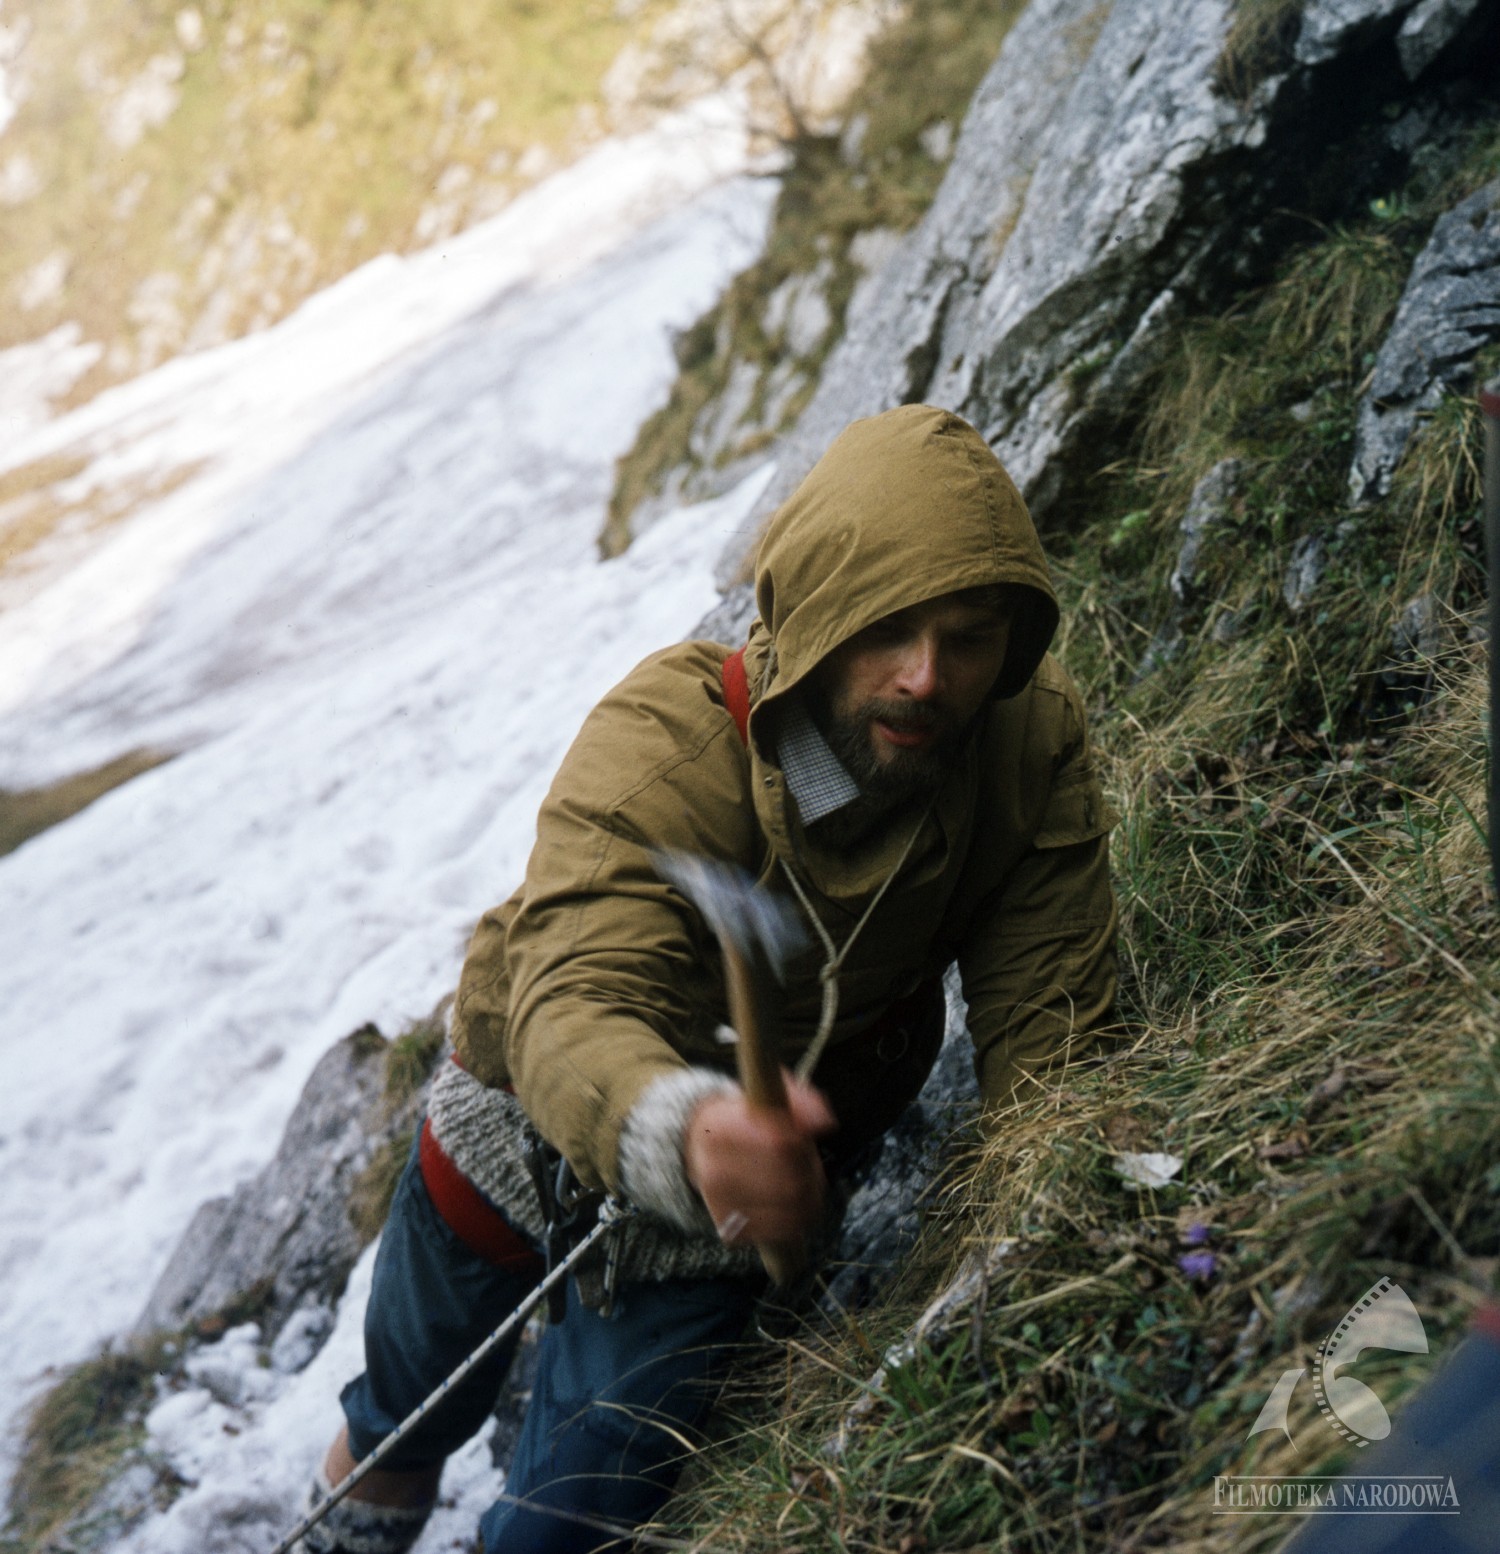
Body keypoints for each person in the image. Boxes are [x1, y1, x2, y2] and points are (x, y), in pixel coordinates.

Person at [299, 404, 1119, 1554]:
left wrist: (1063, 1201)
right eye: (888, 627)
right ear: (818, 609)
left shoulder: (1027, 746)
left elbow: (1052, 1012)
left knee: (560, 1532)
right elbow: (571, 990)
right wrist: (681, 1129)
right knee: (400, 1418)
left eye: (971, 637)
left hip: (728, 1218)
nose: (927, 677)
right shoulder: (666, 736)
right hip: (518, 1133)